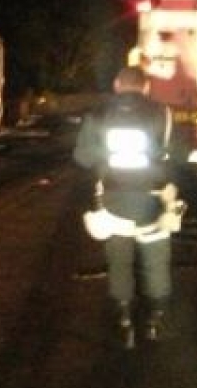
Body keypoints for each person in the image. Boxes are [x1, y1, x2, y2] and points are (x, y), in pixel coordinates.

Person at [74, 66, 176, 349]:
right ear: (145, 87)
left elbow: (82, 156)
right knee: (155, 264)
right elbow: (174, 154)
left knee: (119, 262)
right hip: (153, 201)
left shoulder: (98, 114)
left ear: (117, 84)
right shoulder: (163, 113)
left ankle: (125, 321)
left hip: (113, 203)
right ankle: (155, 321)